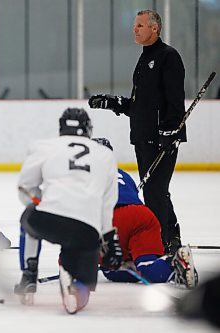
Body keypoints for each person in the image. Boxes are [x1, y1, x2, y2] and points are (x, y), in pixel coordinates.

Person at [88, 9, 186, 255]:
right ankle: (170, 237)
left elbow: (175, 101)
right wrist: (113, 103)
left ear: (154, 28)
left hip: (162, 138)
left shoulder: (168, 57)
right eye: (135, 25)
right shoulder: (145, 59)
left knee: (154, 192)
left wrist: (170, 132)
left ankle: (158, 243)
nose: (135, 29)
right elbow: (141, 105)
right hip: (143, 137)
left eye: (140, 25)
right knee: (157, 191)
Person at [14, 108, 122, 314]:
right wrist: (108, 238)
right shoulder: (105, 154)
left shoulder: (44, 146)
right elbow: (107, 203)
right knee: (84, 286)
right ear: (88, 129)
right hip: (86, 227)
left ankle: (29, 276)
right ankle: (75, 284)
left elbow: (25, 188)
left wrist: (40, 201)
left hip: (49, 219)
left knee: (29, 219)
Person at [92, 138, 197, 289]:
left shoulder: (84, 176)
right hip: (143, 217)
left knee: (110, 271)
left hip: (112, 219)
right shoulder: (123, 174)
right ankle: (174, 266)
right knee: (146, 267)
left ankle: (130, 264)